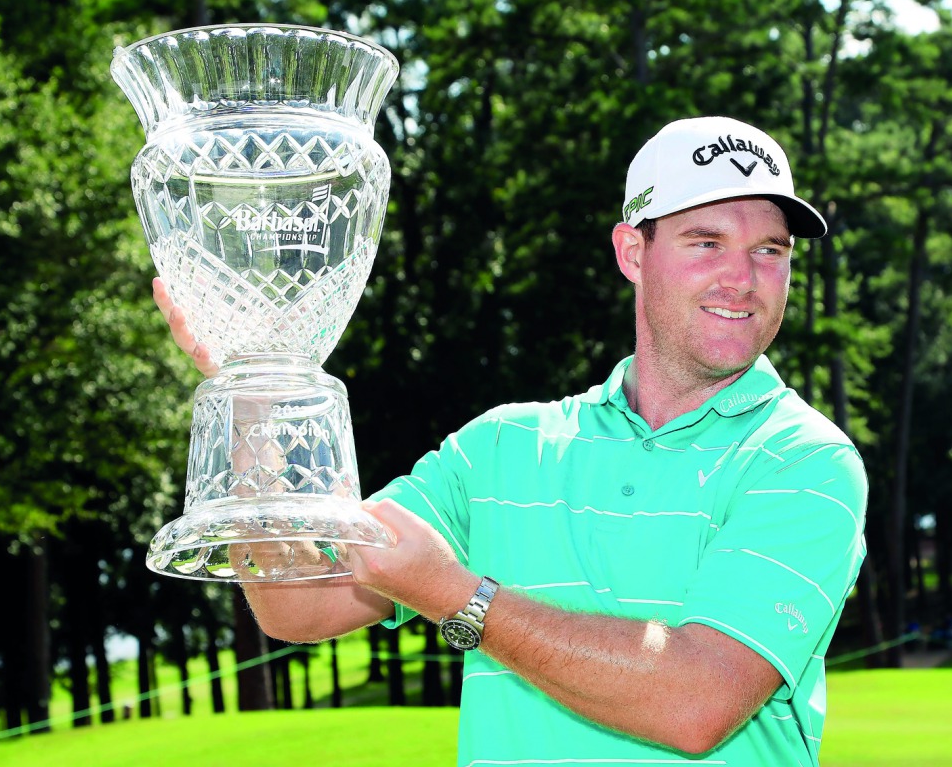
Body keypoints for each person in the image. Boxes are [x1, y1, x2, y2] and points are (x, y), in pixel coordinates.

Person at [155, 116, 868, 766]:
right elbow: (301, 606)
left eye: (770, 249)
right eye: (705, 241)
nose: (742, 278)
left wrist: (457, 597)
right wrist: (254, 397)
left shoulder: (805, 460)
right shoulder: (500, 450)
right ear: (632, 252)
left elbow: (695, 701)